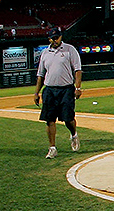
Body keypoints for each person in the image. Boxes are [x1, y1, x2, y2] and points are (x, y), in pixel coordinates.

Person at [32, 27, 82, 159]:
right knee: (49, 120)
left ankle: (74, 134)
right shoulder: (45, 53)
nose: (55, 40)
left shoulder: (70, 50)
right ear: (49, 39)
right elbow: (40, 75)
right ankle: (52, 148)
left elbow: (77, 70)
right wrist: (36, 93)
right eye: (53, 38)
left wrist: (78, 88)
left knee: (68, 119)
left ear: (61, 37)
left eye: (57, 37)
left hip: (66, 89)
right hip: (49, 89)